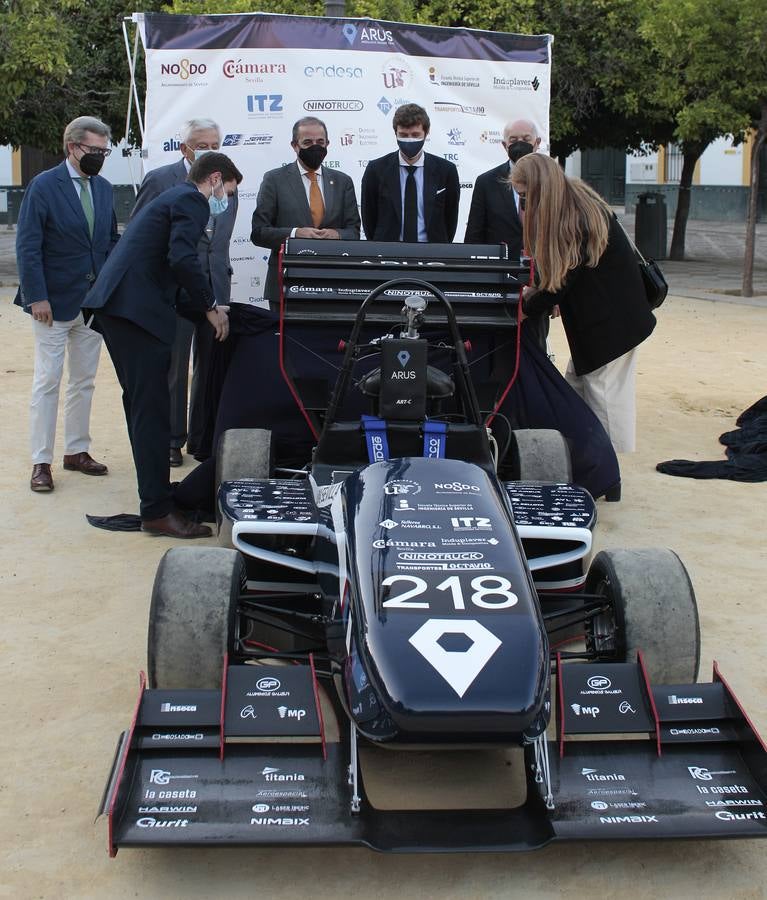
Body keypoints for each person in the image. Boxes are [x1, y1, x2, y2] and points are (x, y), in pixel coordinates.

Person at [82, 152, 241, 539]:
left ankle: (155, 495)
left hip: (123, 309)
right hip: (133, 312)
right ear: (215, 179)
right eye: (230, 192)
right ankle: (155, 511)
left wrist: (207, 309)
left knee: (142, 407)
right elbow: (184, 260)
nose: (227, 201)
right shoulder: (190, 199)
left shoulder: (170, 200)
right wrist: (208, 306)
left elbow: (170, 268)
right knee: (150, 410)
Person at [511, 153, 656, 456]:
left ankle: (610, 469)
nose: (523, 203)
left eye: (525, 195)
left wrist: (525, 308)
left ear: (540, 188)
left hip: (611, 326)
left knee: (606, 399)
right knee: (578, 387)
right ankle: (592, 457)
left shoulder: (572, 219)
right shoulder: (576, 200)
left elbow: (561, 282)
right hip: (611, 320)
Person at [15, 115, 119, 492]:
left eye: (104, 151)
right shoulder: (44, 186)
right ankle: (40, 462)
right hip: (52, 303)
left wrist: (108, 289)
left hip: (92, 305)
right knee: (47, 381)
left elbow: (108, 242)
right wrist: (36, 295)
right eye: (94, 150)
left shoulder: (105, 188)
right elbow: (28, 245)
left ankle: (77, 451)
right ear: (72, 147)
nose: (100, 157)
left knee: (84, 380)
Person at [131, 118, 238, 468]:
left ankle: (202, 440)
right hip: (174, 292)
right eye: (201, 143)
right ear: (184, 147)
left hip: (214, 288)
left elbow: (218, 244)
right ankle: (170, 440)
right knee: (173, 368)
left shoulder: (227, 185)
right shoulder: (161, 180)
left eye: (214, 143)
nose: (209, 149)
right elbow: (140, 235)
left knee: (209, 368)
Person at [250, 117, 360, 304]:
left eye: (320, 142)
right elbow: (259, 233)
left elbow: (354, 232)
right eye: (307, 142)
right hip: (286, 282)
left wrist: (336, 235)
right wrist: (295, 233)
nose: (315, 147)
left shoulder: (343, 181)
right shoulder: (274, 179)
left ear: (328, 144)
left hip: (334, 283)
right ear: (295, 145)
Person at [361, 103, 459, 243]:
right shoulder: (376, 170)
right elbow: (369, 218)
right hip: (388, 254)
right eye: (403, 135)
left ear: (426, 132)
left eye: (415, 135)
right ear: (395, 132)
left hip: (432, 255)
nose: (409, 139)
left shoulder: (446, 170)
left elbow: (450, 218)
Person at [464, 118, 541, 260]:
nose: (519, 143)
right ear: (505, 145)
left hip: (544, 269)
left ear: (537, 143)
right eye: (513, 140)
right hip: (500, 270)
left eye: (526, 138)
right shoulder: (486, 182)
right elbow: (474, 235)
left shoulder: (550, 180)